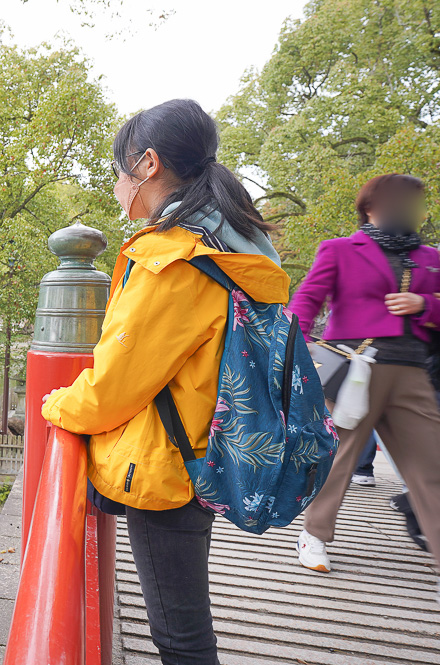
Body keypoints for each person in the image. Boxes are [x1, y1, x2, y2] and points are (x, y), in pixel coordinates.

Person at [41, 99, 288, 665]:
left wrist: (57, 404)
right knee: (185, 626)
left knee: (180, 638)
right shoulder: (235, 242)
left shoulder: (173, 259)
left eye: (118, 171)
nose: (117, 186)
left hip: (167, 465)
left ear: (148, 164)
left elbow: (113, 388)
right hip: (209, 443)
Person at [289, 174, 440, 585]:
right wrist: (297, 350)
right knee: (341, 458)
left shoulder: (430, 257)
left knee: (431, 464)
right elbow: (306, 299)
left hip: (412, 373)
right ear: (371, 206)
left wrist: (424, 303)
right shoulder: (340, 249)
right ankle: (313, 535)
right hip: (356, 368)